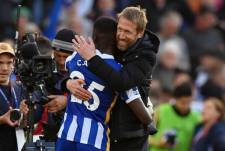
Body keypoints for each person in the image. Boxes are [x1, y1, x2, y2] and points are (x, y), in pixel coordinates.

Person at [70, 6, 159, 151]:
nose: (121, 35)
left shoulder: (146, 56)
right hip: (105, 131)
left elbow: (122, 82)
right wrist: (68, 84)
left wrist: (92, 58)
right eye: (120, 29)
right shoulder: (113, 45)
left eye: (127, 32)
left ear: (140, 33)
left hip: (131, 137)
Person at [149, 82, 201, 151]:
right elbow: (146, 136)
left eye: (189, 102)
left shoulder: (196, 118)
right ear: (175, 99)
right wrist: (159, 143)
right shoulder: (161, 111)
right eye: (183, 102)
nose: (186, 106)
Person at [0, 42, 27, 151]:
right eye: (0, 63)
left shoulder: (19, 87)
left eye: (9, 62)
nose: (5, 68)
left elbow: (25, 124)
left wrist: (24, 116)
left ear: (14, 64)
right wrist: (2, 119)